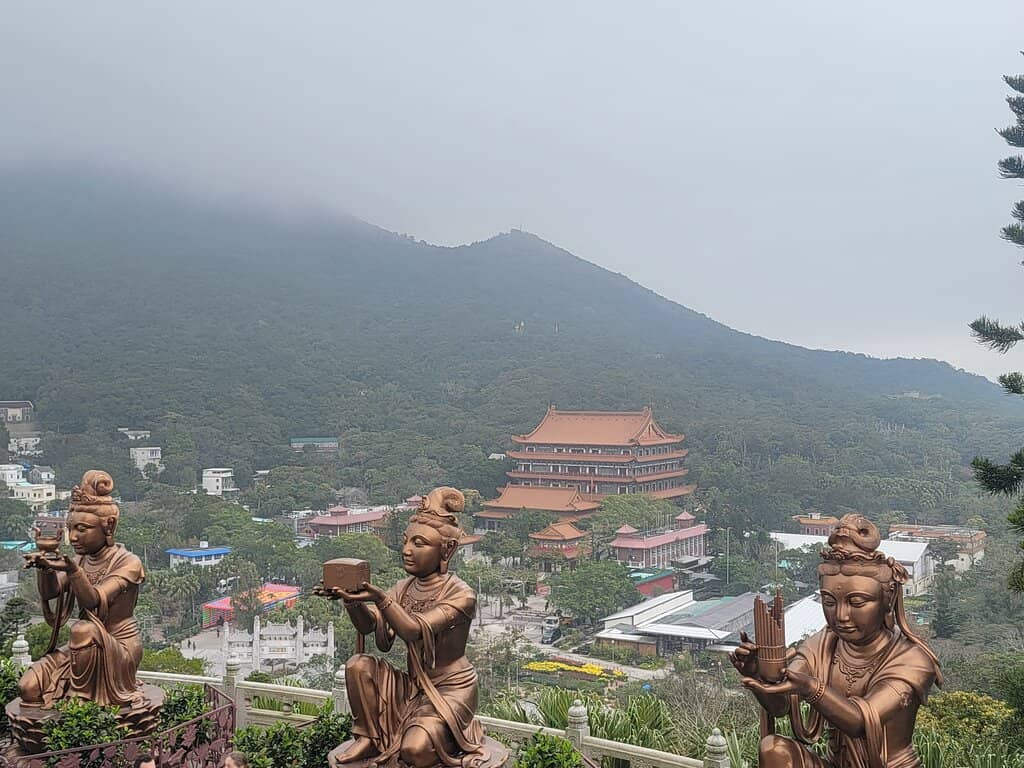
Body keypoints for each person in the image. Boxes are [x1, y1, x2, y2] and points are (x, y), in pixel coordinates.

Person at [732, 514, 942, 768]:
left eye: (857, 602)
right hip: (836, 764)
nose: (841, 616)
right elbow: (781, 706)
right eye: (829, 602)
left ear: (887, 601)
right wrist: (762, 676)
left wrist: (811, 687)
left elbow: (859, 722)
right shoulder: (823, 645)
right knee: (774, 749)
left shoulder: (912, 660)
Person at [321, 487, 488, 768]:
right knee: (358, 665)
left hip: (450, 689)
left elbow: (412, 630)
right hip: (412, 687)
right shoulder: (403, 588)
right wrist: (351, 601)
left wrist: (379, 598)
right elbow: (373, 629)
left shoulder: (461, 595)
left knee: (414, 751)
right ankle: (368, 737)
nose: (406, 550)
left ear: (447, 549)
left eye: (419, 543)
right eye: (406, 541)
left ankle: (449, 731)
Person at [20, 470, 146, 708]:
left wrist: (72, 570)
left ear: (108, 527)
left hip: (118, 646)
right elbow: (51, 593)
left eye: (82, 529)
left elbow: (94, 601)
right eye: (71, 529)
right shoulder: (81, 560)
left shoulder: (128, 562)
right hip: (81, 647)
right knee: (28, 688)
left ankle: (80, 702)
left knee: (82, 628)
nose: (74, 537)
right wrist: (45, 568)